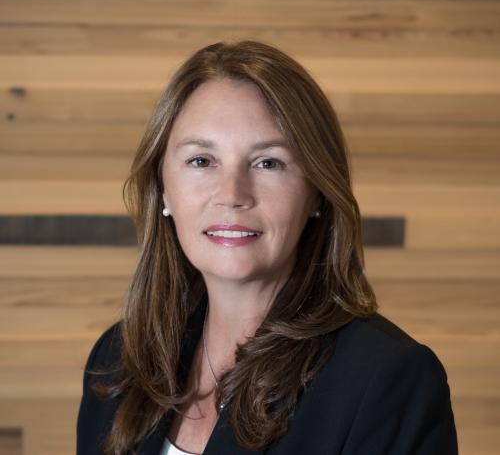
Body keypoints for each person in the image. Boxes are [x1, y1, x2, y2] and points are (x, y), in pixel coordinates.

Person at [76, 40, 458, 455]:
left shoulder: (386, 379)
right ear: (163, 190)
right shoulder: (118, 360)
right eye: (202, 160)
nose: (232, 194)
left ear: (316, 193)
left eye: (268, 163)